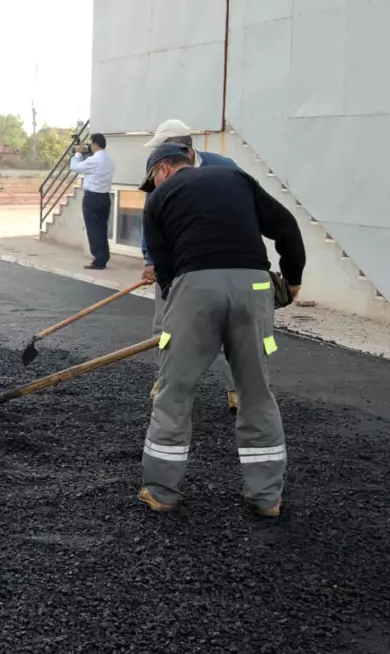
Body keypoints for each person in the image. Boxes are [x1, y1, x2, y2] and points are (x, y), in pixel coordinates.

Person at [137, 143, 305, 518]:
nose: (153, 185)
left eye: (152, 179)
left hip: (193, 288)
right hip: (255, 286)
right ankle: (266, 498)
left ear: (163, 169)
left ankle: (161, 491)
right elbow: (286, 226)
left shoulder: (159, 198)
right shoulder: (236, 178)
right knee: (255, 392)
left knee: (175, 391)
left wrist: (184, 316)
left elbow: (164, 270)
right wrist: (292, 280)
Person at [140, 119, 243, 413]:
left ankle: (237, 389)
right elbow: (150, 218)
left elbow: (245, 205)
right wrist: (151, 260)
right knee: (164, 327)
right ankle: (167, 380)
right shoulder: (159, 172)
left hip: (214, 263)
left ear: (182, 148)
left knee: (222, 329)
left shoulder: (224, 168)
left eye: (161, 150)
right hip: (171, 264)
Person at [69, 132, 115, 270]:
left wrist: (77, 153)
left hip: (92, 197)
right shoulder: (109, 160)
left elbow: (74, 167)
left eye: (91, 143)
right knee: (102, 228)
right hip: (105, 197)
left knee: (93, 229)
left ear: (95, 144)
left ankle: (98, 260)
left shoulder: (94, 160)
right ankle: (104, 256)